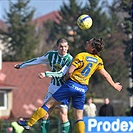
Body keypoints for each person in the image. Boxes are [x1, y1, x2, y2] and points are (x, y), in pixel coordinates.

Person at [17, 38, 122, 133]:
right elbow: (106, 75)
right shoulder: (98, 61)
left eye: (89, 42)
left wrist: (67, 80)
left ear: (92, 48)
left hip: (71, 85)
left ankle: (29, 123)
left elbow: (69, 72)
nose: (87, 42)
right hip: (82, 89)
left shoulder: (81, 56)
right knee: (79, 117)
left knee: (48, 105)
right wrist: (114, 85)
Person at [14, 38, 73, 133]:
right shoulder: (51, 55)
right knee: (45, 114)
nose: (63, 49)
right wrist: (22, 65)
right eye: (61, 47)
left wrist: (46, 74)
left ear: (68, 47)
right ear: (57, 47)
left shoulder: (69, 59)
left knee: (63, 115)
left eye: (65, 47)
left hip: (63, 89)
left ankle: (29, 123)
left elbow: (61, 73)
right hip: (52, 87)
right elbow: (37, 60)